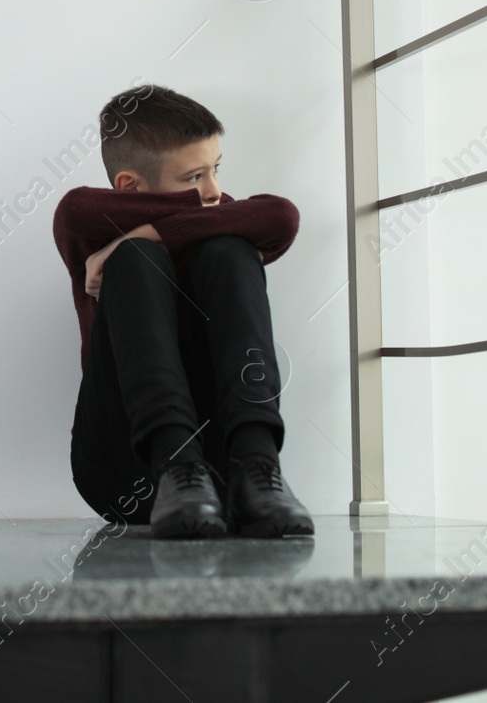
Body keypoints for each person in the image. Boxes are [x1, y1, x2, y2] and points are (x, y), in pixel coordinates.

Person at [52, 83, 313, 539]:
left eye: (215, 169)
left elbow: (282, 216)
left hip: (224, 471)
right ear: (128, 186)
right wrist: (132, 243)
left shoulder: (217, 216)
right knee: (137, 258)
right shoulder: (90, 220)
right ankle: (177, 463)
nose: (213, 192)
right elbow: (75, 207)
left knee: (229, 250)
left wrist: (149, 229)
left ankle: (259, 465)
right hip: (125, 468)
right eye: (194, 177)